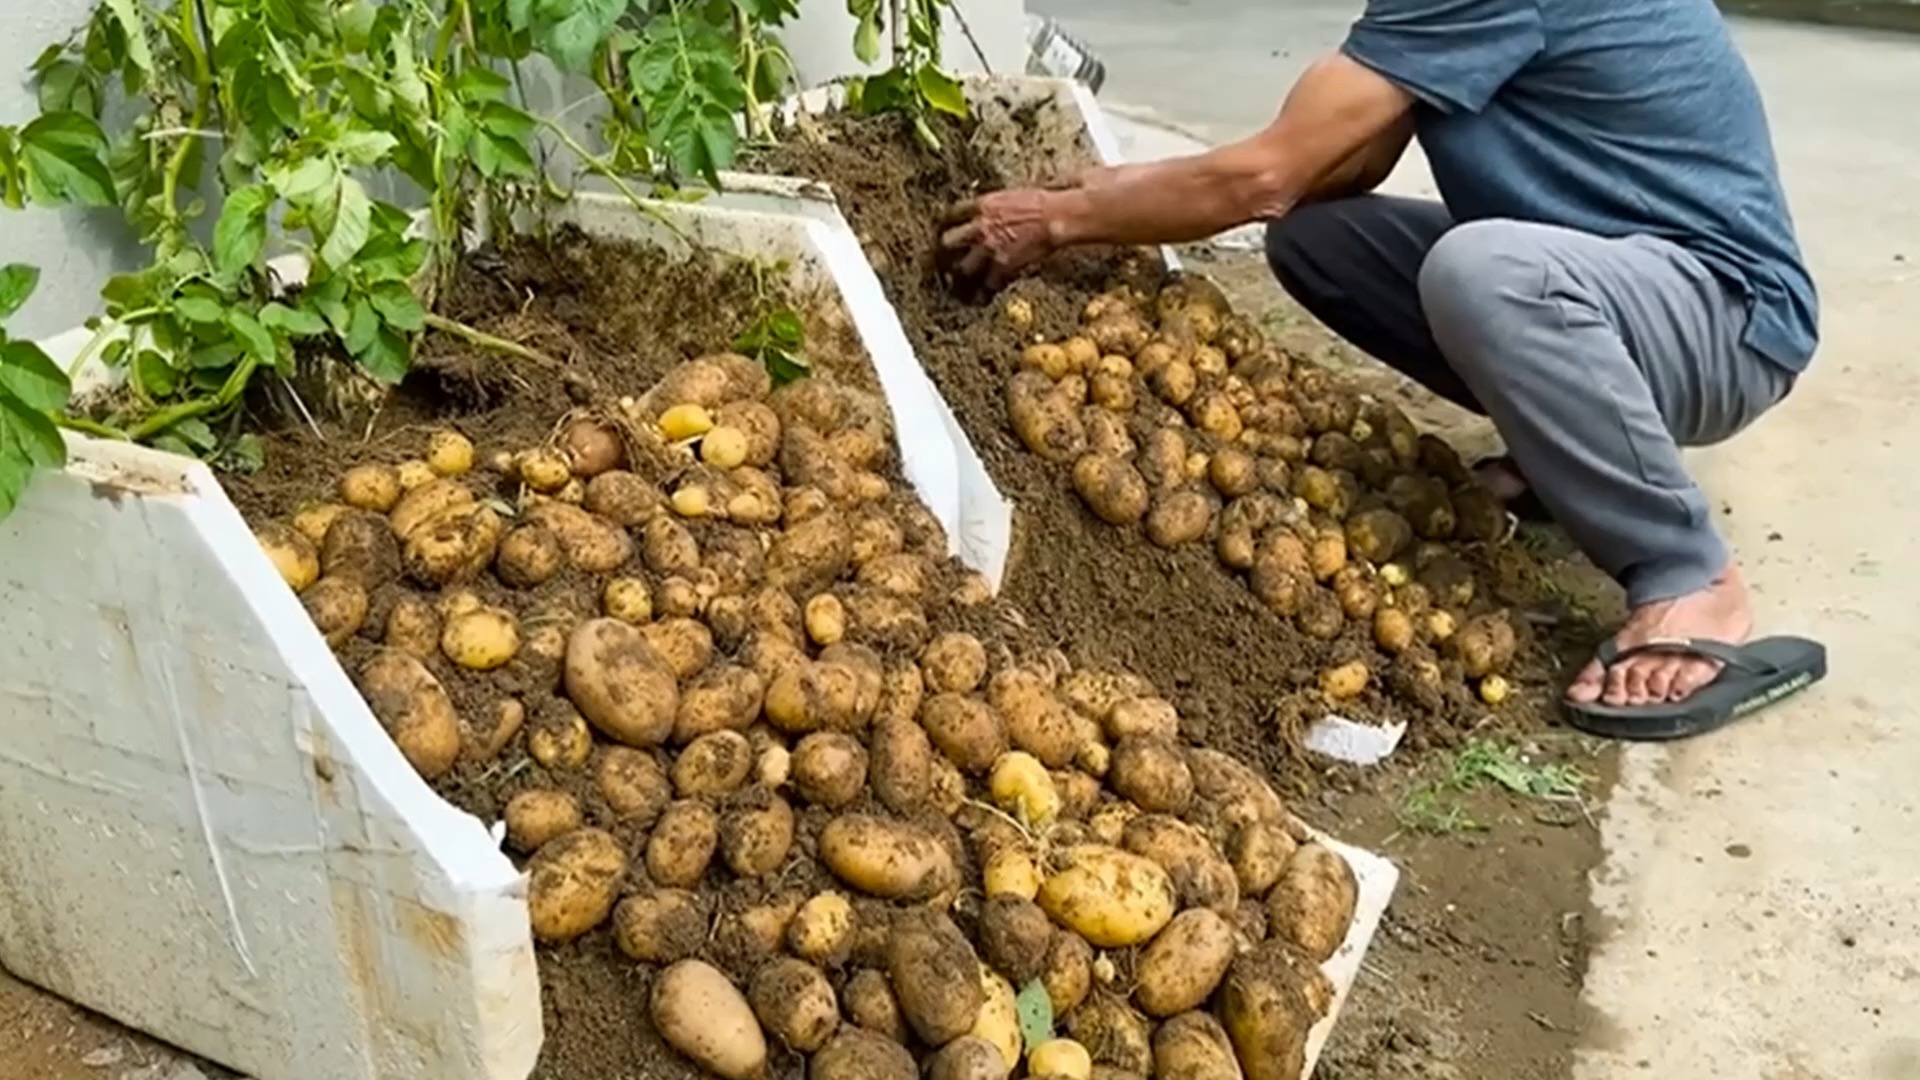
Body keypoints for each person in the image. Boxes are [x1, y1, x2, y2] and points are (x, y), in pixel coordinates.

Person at [940, 0, 1827, 738]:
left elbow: (1267, 176)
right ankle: (1571, 452)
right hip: (1621, 291)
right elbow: (1341, 164)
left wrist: (1064, 218)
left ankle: (1689, 578)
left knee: (1482, 275)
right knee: (1322, 243)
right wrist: (1116, 197)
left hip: (1729, 320)